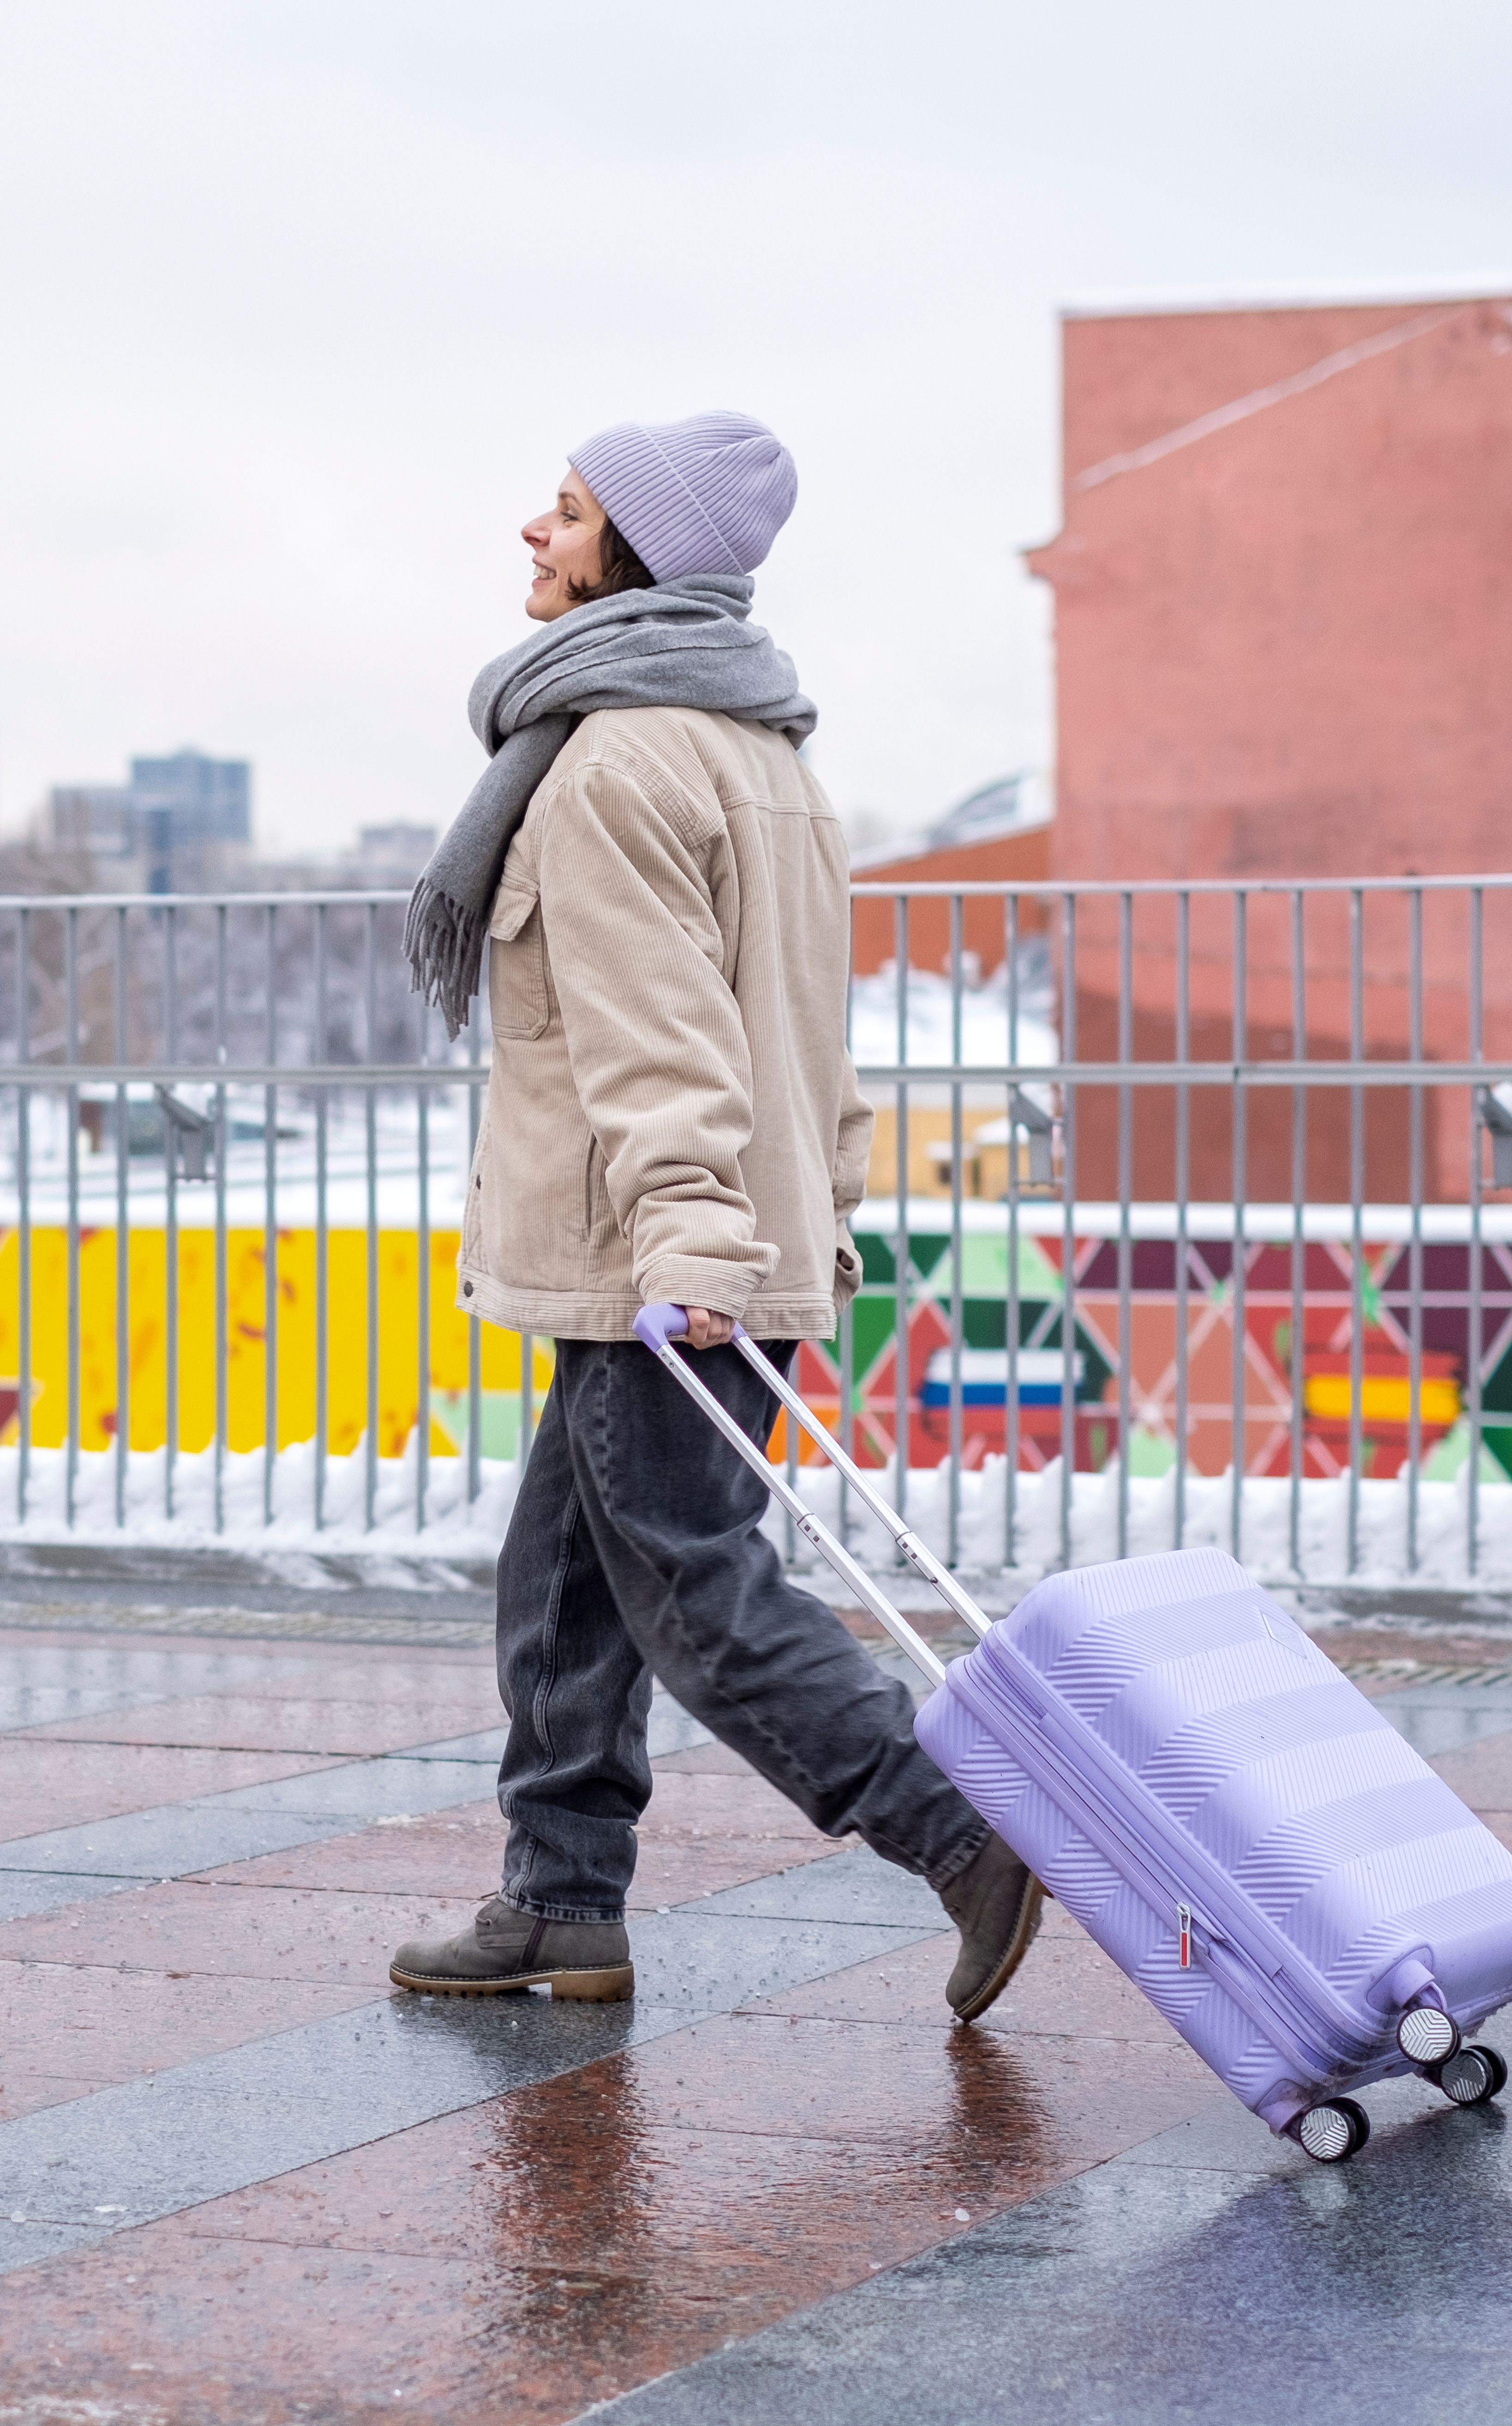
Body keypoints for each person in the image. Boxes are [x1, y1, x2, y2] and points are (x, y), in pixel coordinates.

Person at [389, 411, 1042, 2021]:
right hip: (727, 1244)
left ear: (637, 555)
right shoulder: (768, 755)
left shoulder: (611, 762)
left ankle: (952, 1830)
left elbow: (659, 1035)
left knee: (691, 1587)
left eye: (564, 513)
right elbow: (804, 1032)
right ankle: (558, 1906)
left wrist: (690, 1250)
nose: (530, 538)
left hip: (668, 1266)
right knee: (563, 1586)